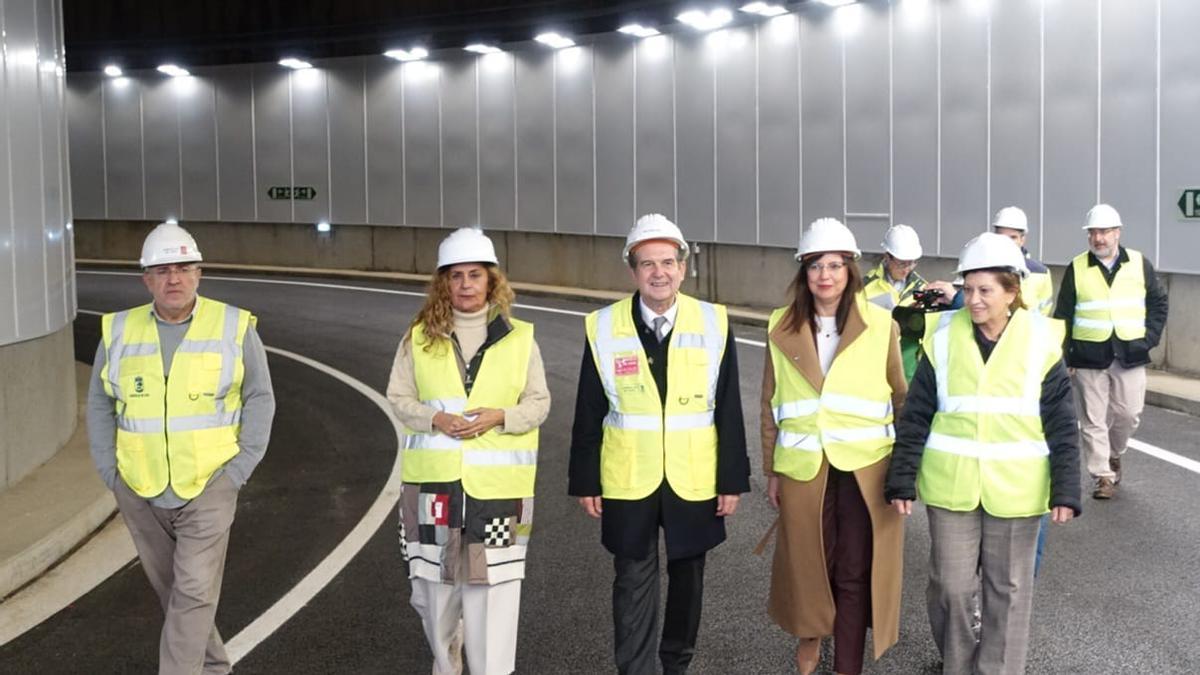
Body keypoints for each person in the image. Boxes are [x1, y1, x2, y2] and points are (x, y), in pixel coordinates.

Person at [885, 232, 1081, 675]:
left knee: (1008, 593)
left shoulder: (1041, 341)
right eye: (968, 289)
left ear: (1012, 292)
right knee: (949, 588)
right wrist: (902, 477)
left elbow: (1062, 423)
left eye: (985, 290)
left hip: (1017, 491)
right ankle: (958, 664)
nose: (972, 300)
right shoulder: (943, 336)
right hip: (951, 485)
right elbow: (917, 414)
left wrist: (1066, 488)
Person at [87, 222, 276, 675]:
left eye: (183, 268)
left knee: (192, 590)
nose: (174, 278)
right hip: (139, 486)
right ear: (146, 279)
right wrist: (111, 472)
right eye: (162, 270)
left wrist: (238, 469)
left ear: (199, 273)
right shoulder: (118, 331)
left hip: (211, 482)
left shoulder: (234, 326)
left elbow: (260, 397)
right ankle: (214, 668)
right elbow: (99, 402)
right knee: (178, 593)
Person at [568, 213, 750, 675]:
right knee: (632, 579)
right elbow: (589, 410)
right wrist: (586, 478)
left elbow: (729, 407)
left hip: (694, 475)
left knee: (688, 578)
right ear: (633, 271)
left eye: (667, 262)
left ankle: (676, 665)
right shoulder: (603, 327)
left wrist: (731, 478)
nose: (659, 273)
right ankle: (635, 669)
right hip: (629, 476)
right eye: (647, 264)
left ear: (683, 267)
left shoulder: (713, 322)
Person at [387, 226, 550, 675]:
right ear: (444, 283)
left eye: (474, 275)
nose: (465, 285)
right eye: (456, 276)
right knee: (431, 598)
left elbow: (539, 403)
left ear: (491, 281)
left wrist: (501, 416)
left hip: (498, 495)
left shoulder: (519, 339)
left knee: (492, 598)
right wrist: (435, 418)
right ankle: (447, 661)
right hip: (432, 492)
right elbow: (398, 398)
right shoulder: (418, 338)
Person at [762, 217, 907, 675]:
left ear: (850, 270)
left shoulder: (881, 325)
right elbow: (770, 404)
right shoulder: (779, 327)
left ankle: (847, 666)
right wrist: (771, 471)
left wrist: (905, 473)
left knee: (853, 571)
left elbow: (901, 397)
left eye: (835, 266)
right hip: (804, 468)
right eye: (815, 266)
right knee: (810, 567)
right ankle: (808, 649)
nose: (825, 276)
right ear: (803, 273)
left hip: (866, 471)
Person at [1053, 203, 1168, 499]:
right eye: (1093, 233)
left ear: (1117, 233)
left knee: (1129, 413)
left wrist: (1149, 338)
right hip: (1088, 354)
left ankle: (1116, 453)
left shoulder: (1139, 263)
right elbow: (1063, 313)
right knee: (1093, 419)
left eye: (1104, 232)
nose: (1098, 238)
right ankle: (1102, 475)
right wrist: (1063, 354)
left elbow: (1158, 303)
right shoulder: (1077, 267)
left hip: (1131, 351)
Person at [863, 224, 928, 380]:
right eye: (901, 263)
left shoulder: (923, 288)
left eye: (911, 263)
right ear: (887, 257)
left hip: (908, 370)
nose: (907, 269)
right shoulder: (864, 287)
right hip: (874, 367)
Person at [992, 206, 1054, 316]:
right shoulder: (982, 269)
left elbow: (1044, 313)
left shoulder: (1041, 272)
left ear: (1022, 239)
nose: (1007, 243)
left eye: (1013, 237)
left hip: (1027, 332)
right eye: (1002, 237)